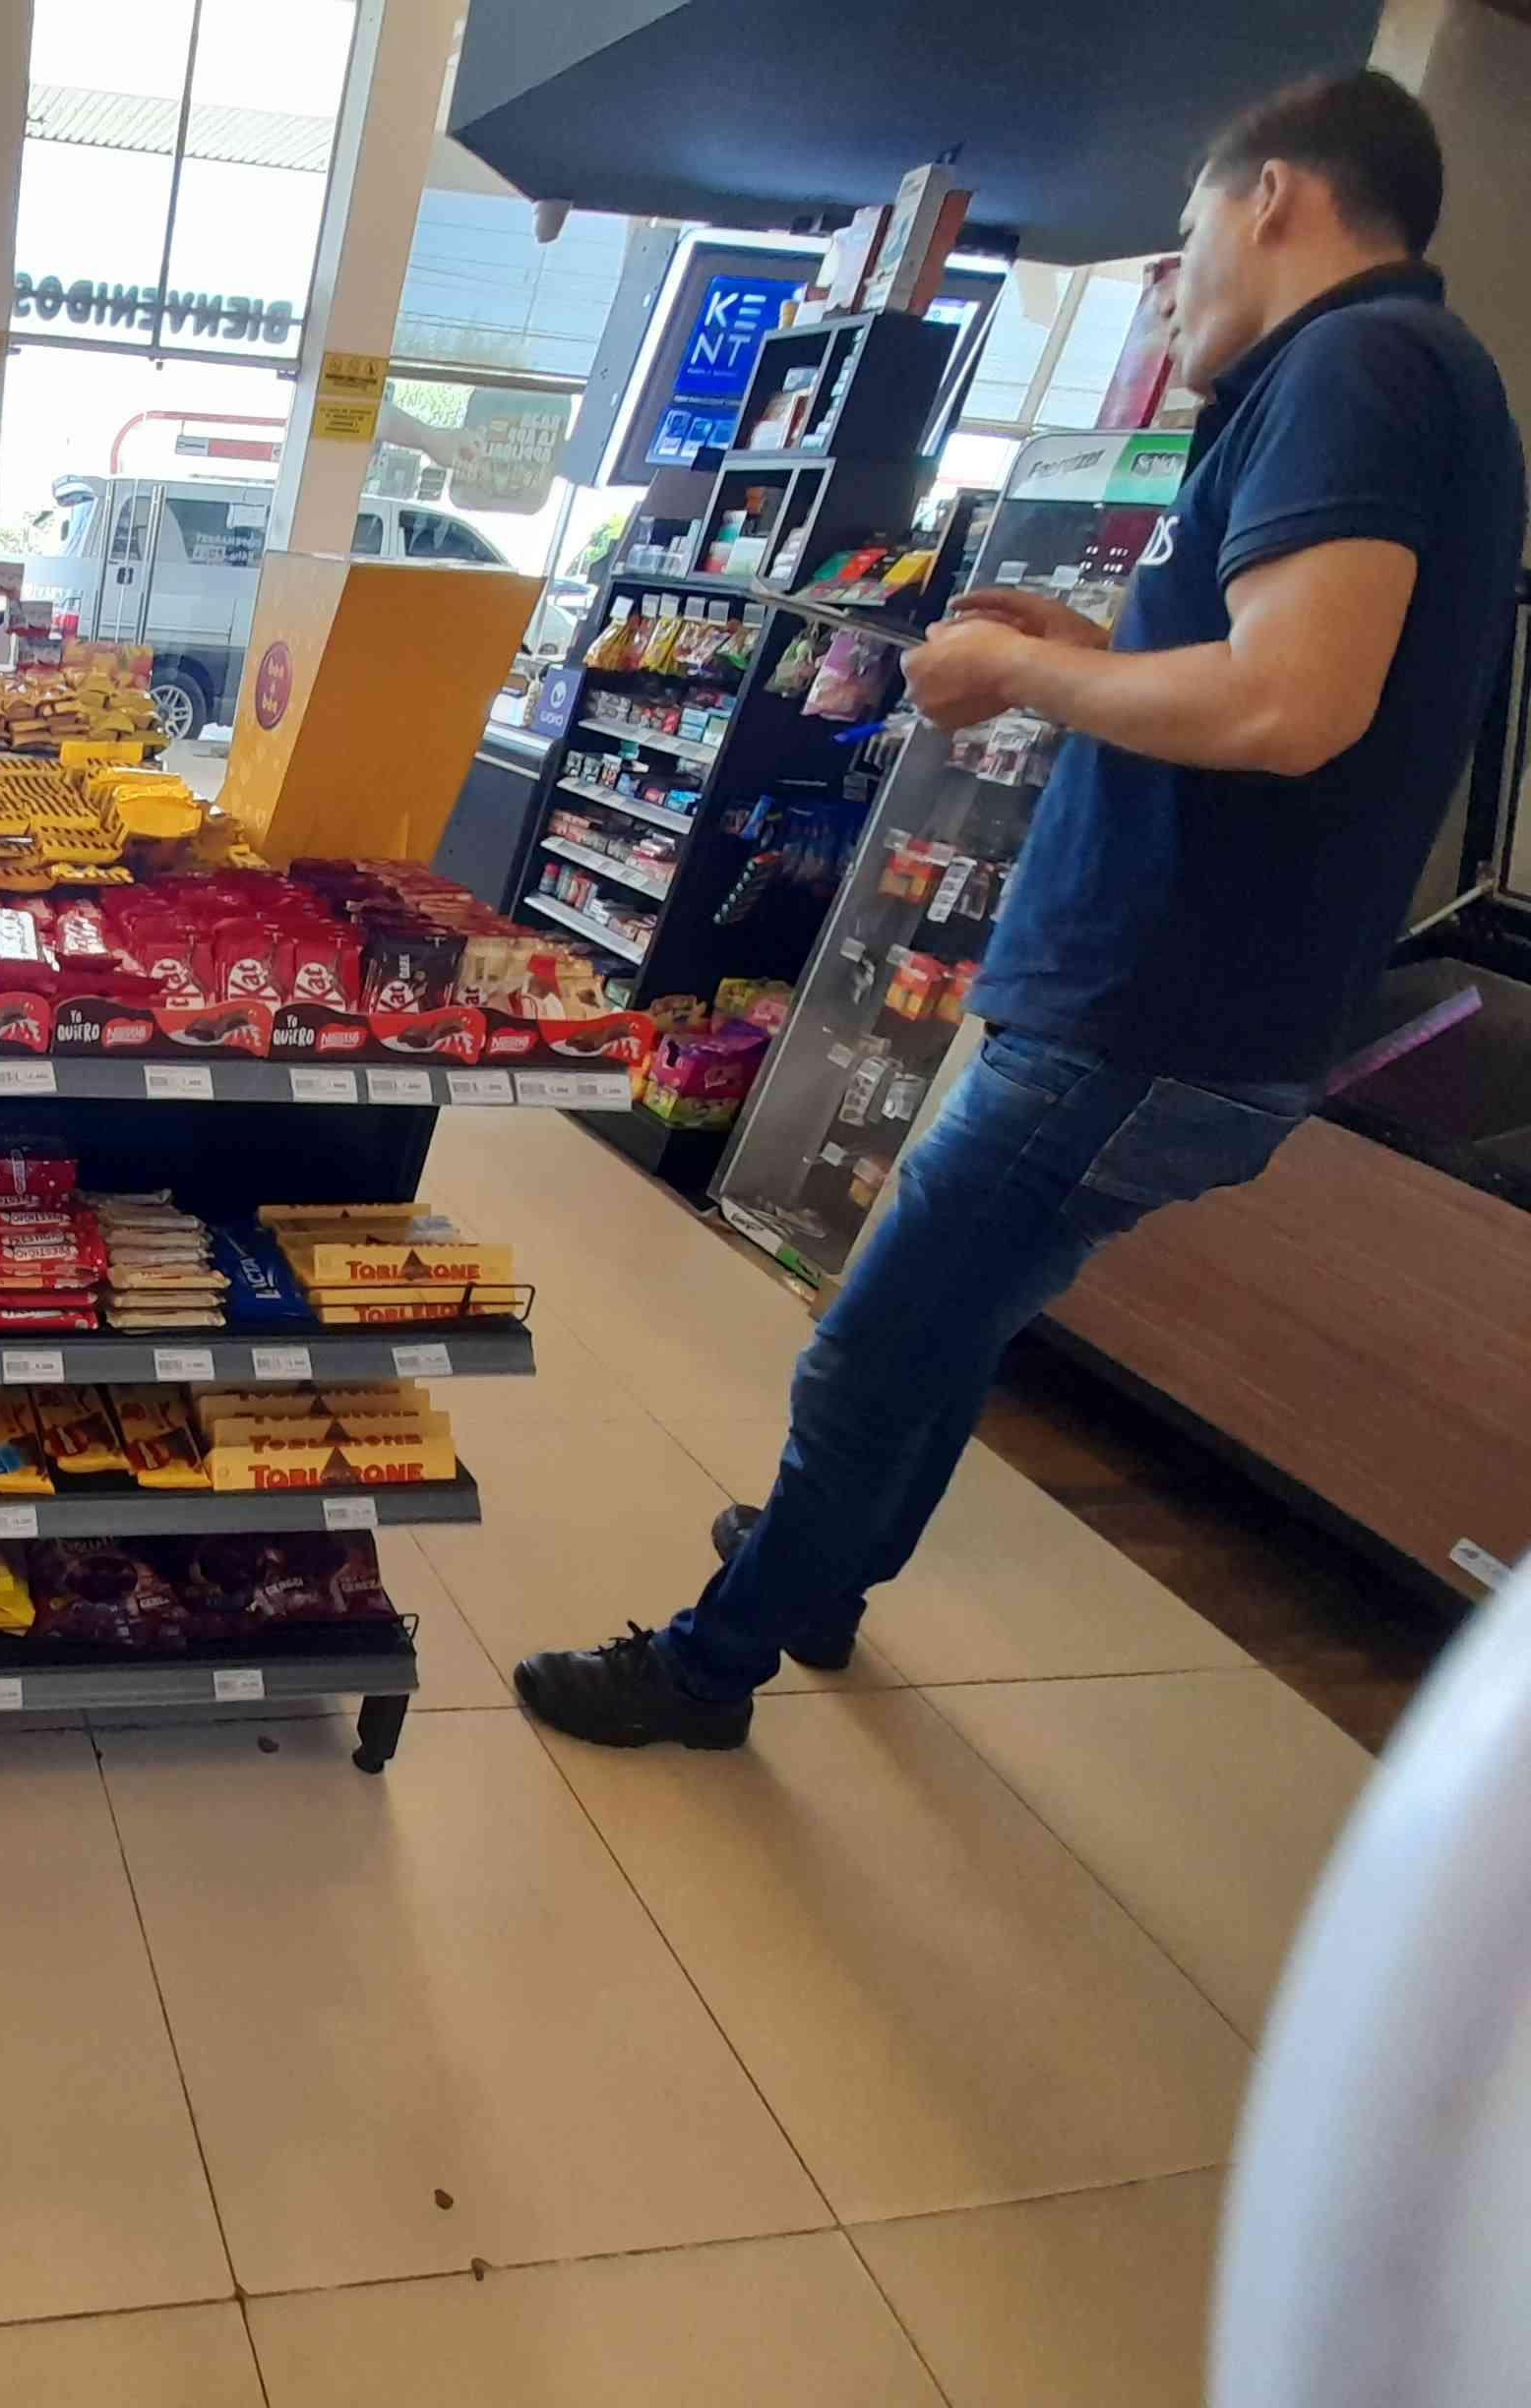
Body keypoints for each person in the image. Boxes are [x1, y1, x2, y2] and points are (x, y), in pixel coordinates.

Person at [516, 70, 1526, 1750]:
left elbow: (1292, 706)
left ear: (1273, 197)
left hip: (1152, 1004)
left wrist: (1020, 678)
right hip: (1185, 1007)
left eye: (1188, 229)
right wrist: (1085, 646)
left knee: (872, 1342)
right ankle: (818, 1576)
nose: (1175, 278)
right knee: (950, 1324)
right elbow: (1281, 678)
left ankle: (711, 1667)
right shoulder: (1413, 374)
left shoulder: (1357, 368)